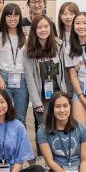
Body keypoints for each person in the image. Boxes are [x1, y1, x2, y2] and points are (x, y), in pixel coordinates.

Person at [23, 15, 67, 155]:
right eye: (39, 27)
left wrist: (66, 95)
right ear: (34, 30)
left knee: (61, 125)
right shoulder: (28, 49)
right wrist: (36, 102)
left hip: (58, 94)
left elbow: (65, 72)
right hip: (40, 97)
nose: (43, 30)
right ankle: (44, 158)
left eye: (46, 26)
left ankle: (60, 157)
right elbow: (29, 77)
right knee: (43, 128)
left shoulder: (59, 45)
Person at [0, 3, 29, 125]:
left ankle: (19, 144)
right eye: (9, 16)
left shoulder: (26, 38)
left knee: (20, 117)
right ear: (4, 18)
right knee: (2, 114)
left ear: (20, 17)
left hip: (22, 78)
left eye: (15, 15)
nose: (12, 19)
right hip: (4, 77)